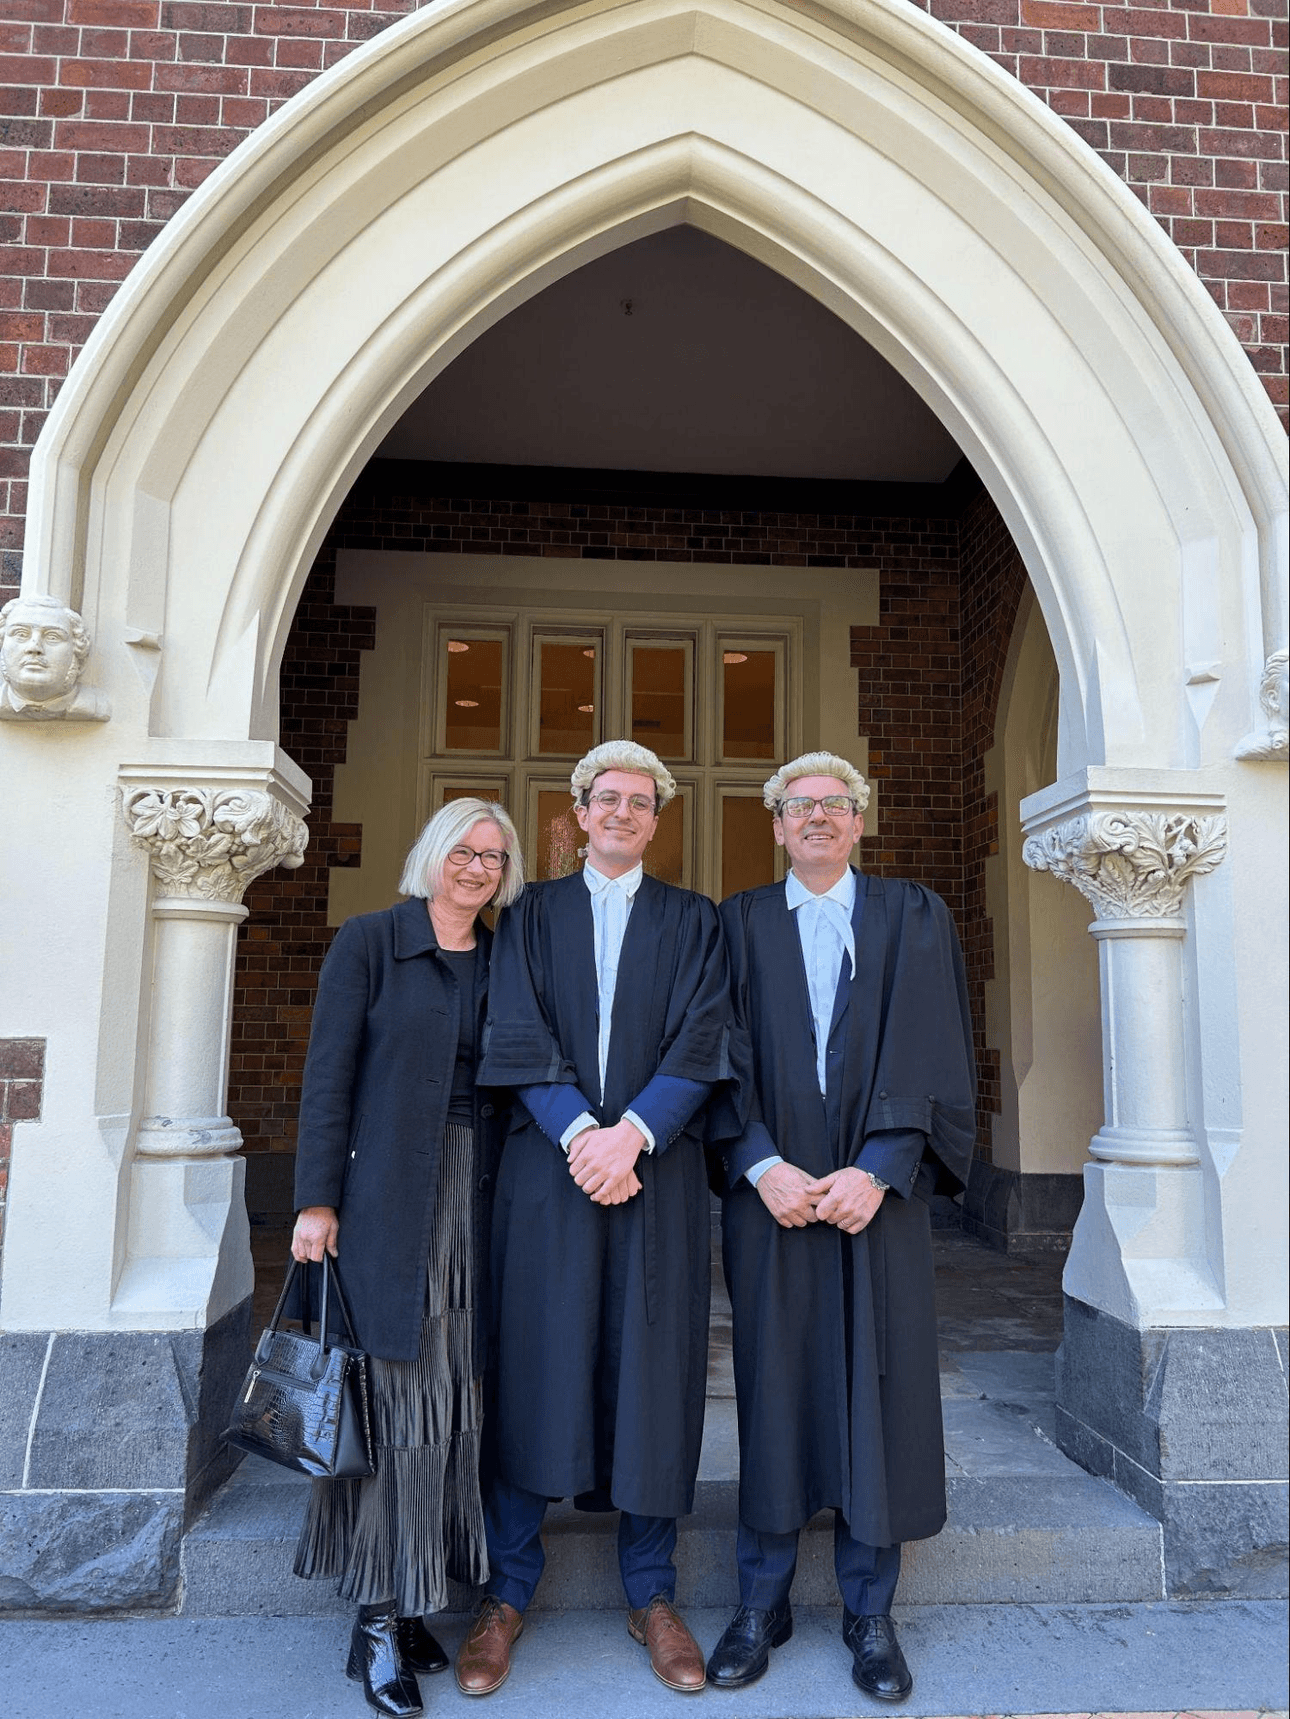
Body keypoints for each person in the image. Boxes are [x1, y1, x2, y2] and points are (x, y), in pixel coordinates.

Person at [457, 740, 734, 1699]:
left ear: (659, 818)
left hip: (654, 1176)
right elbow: (515, 1031)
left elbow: (706, 1039)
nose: (621, 811)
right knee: (536, 1358)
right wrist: (584, 1133)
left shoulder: (694, 921)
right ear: (577, 812)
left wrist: (636, 1137)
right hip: (551, 1171)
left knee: (652, 1371)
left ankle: (652, 1593)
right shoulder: (527, 913)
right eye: (604, 797)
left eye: (640, 800)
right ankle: (506, 1591)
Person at [707, 752, 975, 1704]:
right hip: (770, 1193)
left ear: (859, 822)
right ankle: (759, 1600)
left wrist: (885, 1166)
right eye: (798, 806)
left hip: (877, 1199)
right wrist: (758, 1161)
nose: (816, 817)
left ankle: (870, 1608)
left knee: (879, 1388)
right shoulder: (735, 924)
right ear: (774, 825)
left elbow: (933, 1041)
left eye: (834, 804)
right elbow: (714, 1052)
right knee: (773, 1387)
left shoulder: (911, 916)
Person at [289, 798, 524, 1718]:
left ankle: (413, 1592)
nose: (477, 868)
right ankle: (379, 1618)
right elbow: (327, 1072)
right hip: (389, 1204)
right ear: (430, 853)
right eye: (464, 851)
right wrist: (315, 1200)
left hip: (482, 1201)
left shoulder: (506, 955)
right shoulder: (372, 940)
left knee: (453, 1405)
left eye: (494, 859)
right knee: (394, 1401)